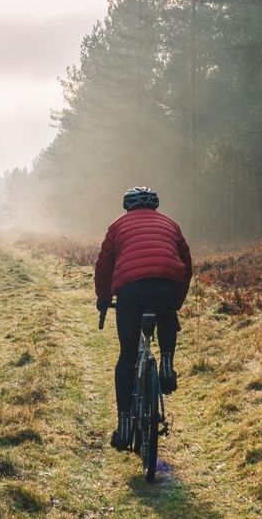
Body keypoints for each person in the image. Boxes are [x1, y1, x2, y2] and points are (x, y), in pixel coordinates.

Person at [95, 186, 192, 450]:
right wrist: (176, 303)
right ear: (155, 205)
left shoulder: (117, 227)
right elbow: (186, 264)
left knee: (127, 355)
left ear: (127, 206)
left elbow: (103, 267)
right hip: (166, 286)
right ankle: (167, 365)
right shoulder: (170, 224)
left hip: (132, 290)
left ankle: (125, 426)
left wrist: (104, 300)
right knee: (166, 313)